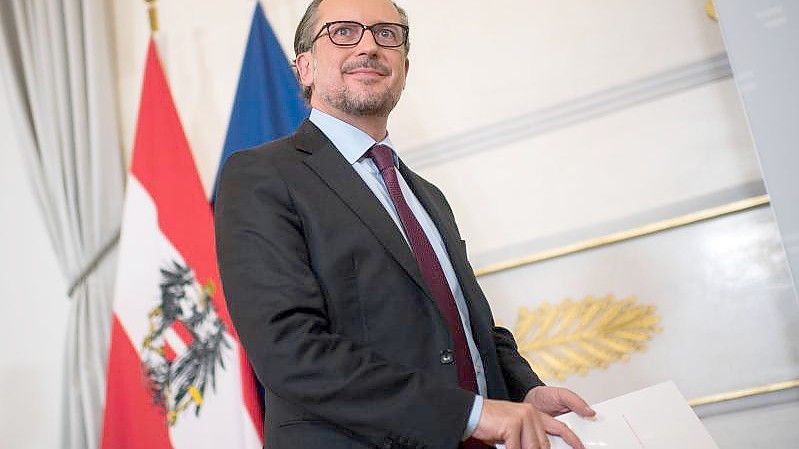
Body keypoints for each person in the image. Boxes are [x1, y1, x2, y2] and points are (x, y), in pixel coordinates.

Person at [214, 1, 596, 448]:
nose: (370, 46)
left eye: (387, 34)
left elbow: (466, 322)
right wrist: (468, 415)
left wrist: (524, 390)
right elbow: (289, 349)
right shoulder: (261, 175)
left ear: (404, 67)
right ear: (305, 68)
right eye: (343, 32)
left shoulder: (427, 195)